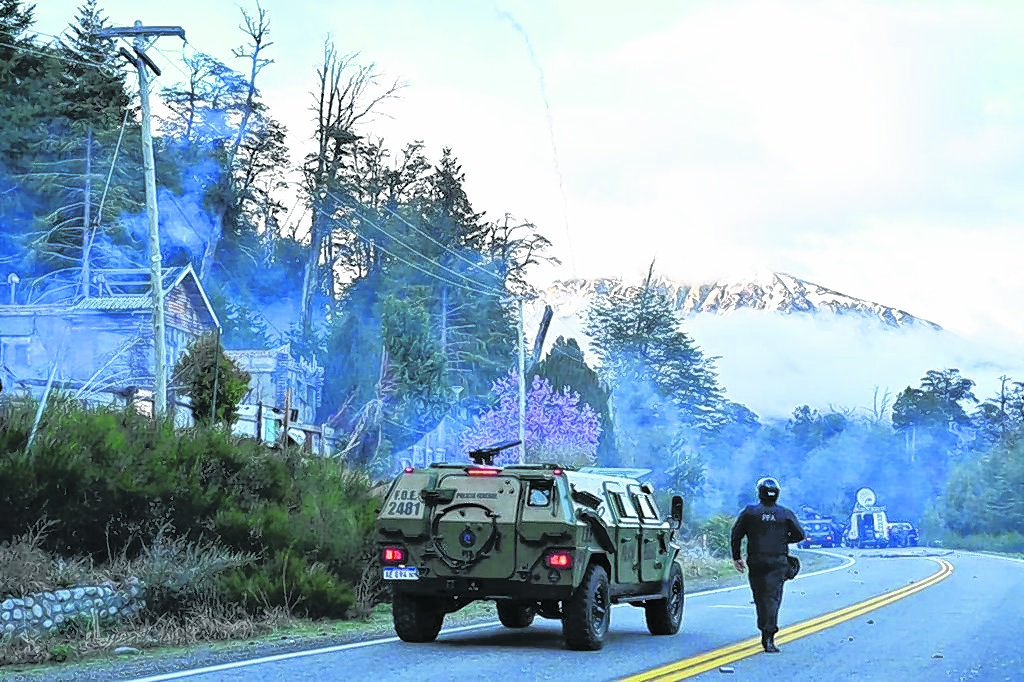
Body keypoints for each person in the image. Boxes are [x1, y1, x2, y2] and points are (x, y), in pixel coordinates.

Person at [730, 476, 805, 653]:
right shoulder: (785, 513)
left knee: (759, 597)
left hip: (756, 561)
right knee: (772, 598)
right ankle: (769, 636)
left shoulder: (750, 512)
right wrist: (783, 539)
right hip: (778, 561)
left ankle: (763, 626)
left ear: (760, 493)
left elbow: (736, 534)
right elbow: (800, 534)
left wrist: (737, 557)